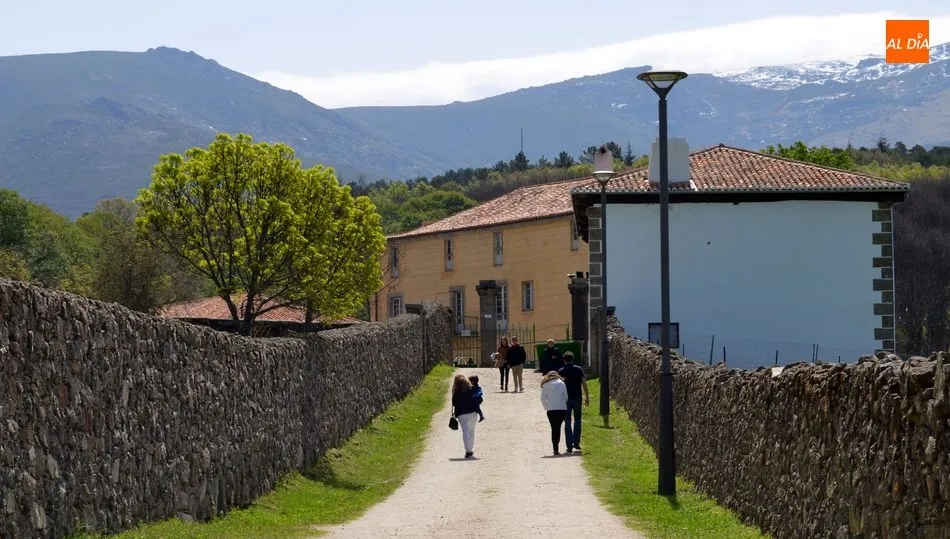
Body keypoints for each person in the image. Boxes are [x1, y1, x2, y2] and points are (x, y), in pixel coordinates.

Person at [557, 351, 589, 452]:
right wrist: (587, 396)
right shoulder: (579, 369)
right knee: (577, 419)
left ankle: (569, 445)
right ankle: (576, 442)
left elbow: (558, 386)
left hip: (565, 399)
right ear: (573, 359)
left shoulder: (561, 371)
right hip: (577, 397)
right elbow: (584, 383)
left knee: (567, 421)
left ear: (564, 360)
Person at [539, 371, 569, 455]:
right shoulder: (562, 383)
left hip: (551, 409)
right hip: (561, 408)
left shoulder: (545, 385)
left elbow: (543, 399)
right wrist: (563, 403)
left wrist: (547, 408)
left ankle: (555, 448)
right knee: (558, 427)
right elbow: (566, 396)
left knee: (554, 428)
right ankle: (560, 447)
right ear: (557, 376)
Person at [451, 374, 480, 458]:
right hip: (473, 412)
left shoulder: (456, 392)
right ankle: (470, 449)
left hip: (462, 414)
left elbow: (454, 404)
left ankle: (468, 451)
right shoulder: (472, 389)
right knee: (471, 431)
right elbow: (478, 399)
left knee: (465, 431)